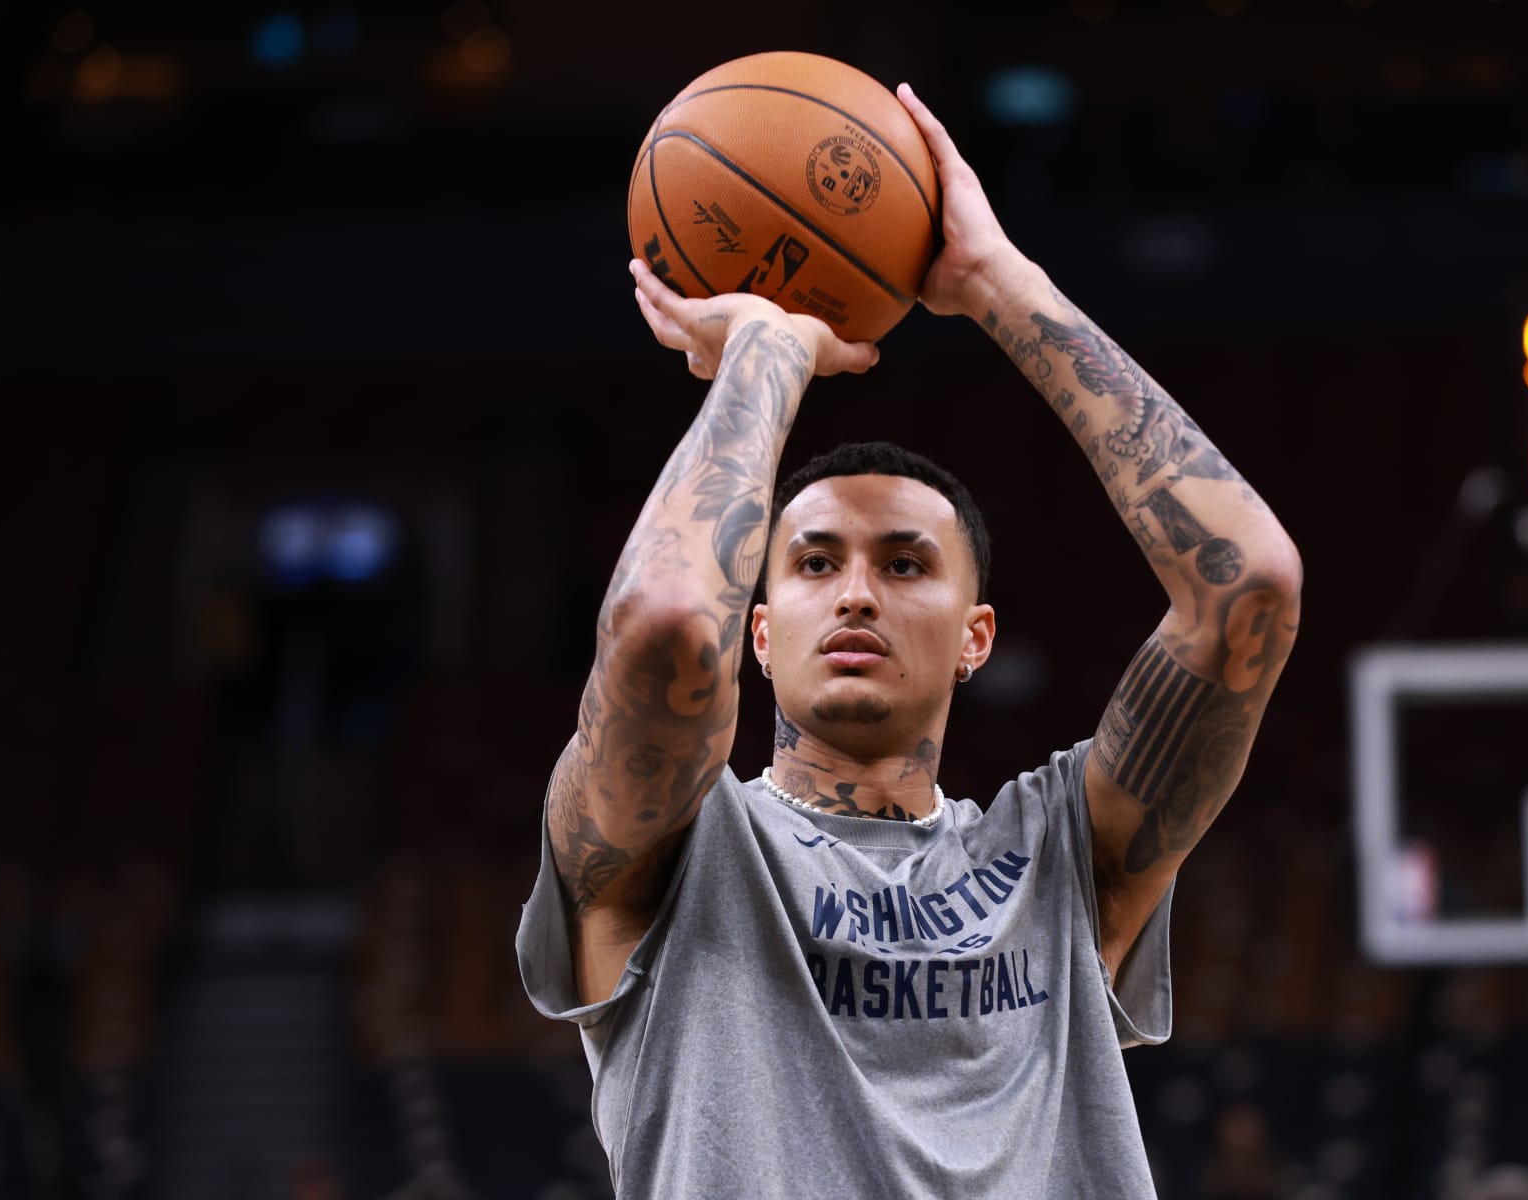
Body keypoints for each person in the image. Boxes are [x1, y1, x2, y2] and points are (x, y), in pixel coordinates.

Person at [516, 83, 1301, 1198]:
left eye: (904, 564)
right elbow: (663, 625)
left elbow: (1251, 585)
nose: (855, 595)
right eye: (814, 562)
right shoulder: (677, 852)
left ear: (978, 637)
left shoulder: (1061, 860)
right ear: (758, 633)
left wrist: (998, 283)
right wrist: (767, 353)